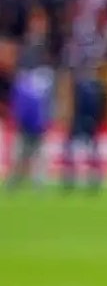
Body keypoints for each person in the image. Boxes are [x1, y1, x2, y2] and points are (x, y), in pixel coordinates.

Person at [5, 59, 54, 191]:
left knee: (21, 156)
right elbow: (45, 109)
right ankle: (37, 183)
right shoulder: (41, 88)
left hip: (26, 128)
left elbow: (19, 109)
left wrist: (17, 121)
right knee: (37, 157)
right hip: (37, 128)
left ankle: (15, 182)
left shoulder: (21, 88)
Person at [63, 67, 107, 192]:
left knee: (71, 152)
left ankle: (70, 181)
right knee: (92, 154)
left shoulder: (80, 88)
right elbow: (101, 108)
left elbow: (78, 107)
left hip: (80, 123)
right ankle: (93, 182)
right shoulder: (97, 88)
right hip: (91, 124)